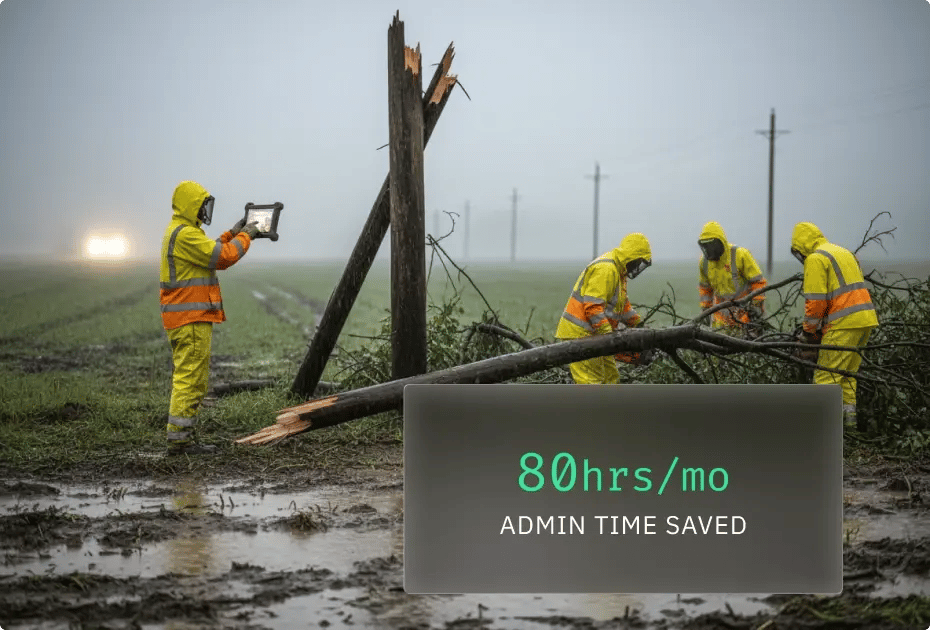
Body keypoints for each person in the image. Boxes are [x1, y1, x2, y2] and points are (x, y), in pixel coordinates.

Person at [159, 181, 260, 455]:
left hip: (189, 318)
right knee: (190, 379)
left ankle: (183, 438)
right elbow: (222, 257)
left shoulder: (183, 232)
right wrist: (247, 236)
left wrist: (233, 233)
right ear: (192, 205)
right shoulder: (185, 235)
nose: (205, 211)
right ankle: (180, 442)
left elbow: (210, 250)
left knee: (194, 378)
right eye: (202, 205)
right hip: (189, 319)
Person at [790, 221, 878, 430]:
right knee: (847, 377)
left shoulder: (816, 258)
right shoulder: (843, 252)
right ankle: (850, 428)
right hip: (864, 320)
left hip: (843, 323)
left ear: (801, 246)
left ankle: (820, 434)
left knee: (825, 379)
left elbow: (816, 302)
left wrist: (808, 333)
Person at [555, 233, 653, 384]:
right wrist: (608, 337)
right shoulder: (606, 269)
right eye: (638, 262)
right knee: (591, 381)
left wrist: (639, 325)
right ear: (632, 257)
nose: (637, 268)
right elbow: (593, 307)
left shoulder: (619, 271)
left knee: (610, 378)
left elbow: (623, 307)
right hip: (581, 334)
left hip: (596, 334)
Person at [697, 221, 768, 338]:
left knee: (749, 347)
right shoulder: (704, 263)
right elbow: (705, 288)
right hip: (721, 322)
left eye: (712, 246)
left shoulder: (740, 255)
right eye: (706, 246)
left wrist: (756, 306)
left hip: (746, 318)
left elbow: (758, 283)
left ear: (721, 242)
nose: (709, 250)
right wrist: (705, 310)